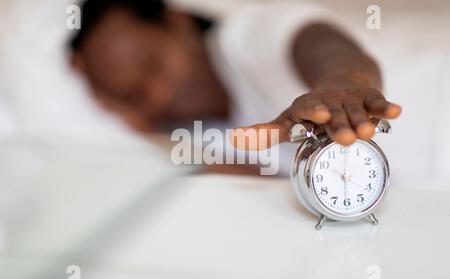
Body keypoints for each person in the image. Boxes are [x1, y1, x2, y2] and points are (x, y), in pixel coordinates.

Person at [70, 0, 401, 155]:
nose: (157, 91)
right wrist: (144, 132)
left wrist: (343, 81)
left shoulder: (244, 35)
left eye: (151, 64)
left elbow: (322, 45)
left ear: (177, 22)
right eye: (134, 94)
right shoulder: (193, 135)